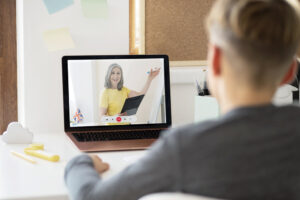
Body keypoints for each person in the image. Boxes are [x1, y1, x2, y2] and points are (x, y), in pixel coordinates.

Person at [64, 0, 300, 199]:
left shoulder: (183, 147)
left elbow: (91, 196)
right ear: (290, 71)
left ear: (215, 60)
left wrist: (79, 163)